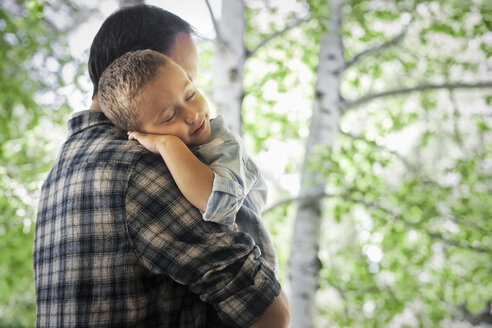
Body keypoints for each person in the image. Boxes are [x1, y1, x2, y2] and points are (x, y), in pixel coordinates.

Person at [33, 4, 290, 328]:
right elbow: (270, 314)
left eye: (191, 89)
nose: (196, 112)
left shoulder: (60, 173)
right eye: (182, 82)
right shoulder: (141, 165)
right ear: (138, 70)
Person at [98, 49, 278, 275]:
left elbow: (220, 203)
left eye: (190, 95)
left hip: (253, 278)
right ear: (141, 134)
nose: (191, 114)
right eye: (168, 117)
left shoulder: (224, 145)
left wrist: (168, 145)